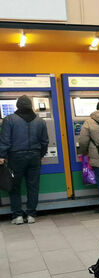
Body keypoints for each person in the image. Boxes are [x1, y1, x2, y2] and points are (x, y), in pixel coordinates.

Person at [0, 95, 49, 224]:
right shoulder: (40, 121)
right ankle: (31, 214)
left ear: (18, 106)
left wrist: (2, 155)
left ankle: (17, 216)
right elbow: (45, 141)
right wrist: (41, 154)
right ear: (30, 106)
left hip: (15, 156)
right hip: (34, 156)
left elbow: (5, 140)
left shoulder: (9, 119)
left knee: (14, 186)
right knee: (33, 186)